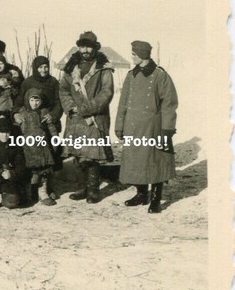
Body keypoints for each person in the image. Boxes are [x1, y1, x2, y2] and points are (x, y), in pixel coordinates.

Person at [115, 40, 178, 214]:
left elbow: (169, 104)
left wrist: (167, 129)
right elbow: (123, 102)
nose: (132, 57)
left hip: (153, 128)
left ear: (142, 55)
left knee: (155, 162)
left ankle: (156, 199)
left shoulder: (160, 75)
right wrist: (120, 125)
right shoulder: (131, 75)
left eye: (134, 54)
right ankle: (141, 195)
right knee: (136, 161)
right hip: (132, 127)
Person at [59, 31, 114, 204]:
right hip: (75, 117)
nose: (85, 50)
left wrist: (86, 108)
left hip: (94, 118)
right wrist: (70, 107)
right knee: (78, 154)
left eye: (89, 47)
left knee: (93, 155)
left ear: (95, 47)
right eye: (82, 46)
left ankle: (93, 190)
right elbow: (63, 90)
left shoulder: (103, 68)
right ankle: (83, 187)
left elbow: (106, 93)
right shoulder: (70, 68)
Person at [14, 89, 57, 206]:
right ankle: (30, 193)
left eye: (37, 100)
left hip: (42, 146)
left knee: (44, 171)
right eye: (32, 100)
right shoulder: (22, 113)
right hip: (27, 147)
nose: (35, 103)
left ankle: (43, 193)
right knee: (31, 172)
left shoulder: (44, 112)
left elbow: (51, 127)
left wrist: (55, 139)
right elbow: (16, 129)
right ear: (27, 101)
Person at [16, 55, 62, 132]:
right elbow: (19, 101)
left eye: (46, 67)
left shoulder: (53, 82)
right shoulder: (27, 82)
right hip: (30, 122)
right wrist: (16, 114)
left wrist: (53, 115)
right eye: (40, 67)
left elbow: (59, 101)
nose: (43, 70)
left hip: (48, 120)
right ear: (35, 68)